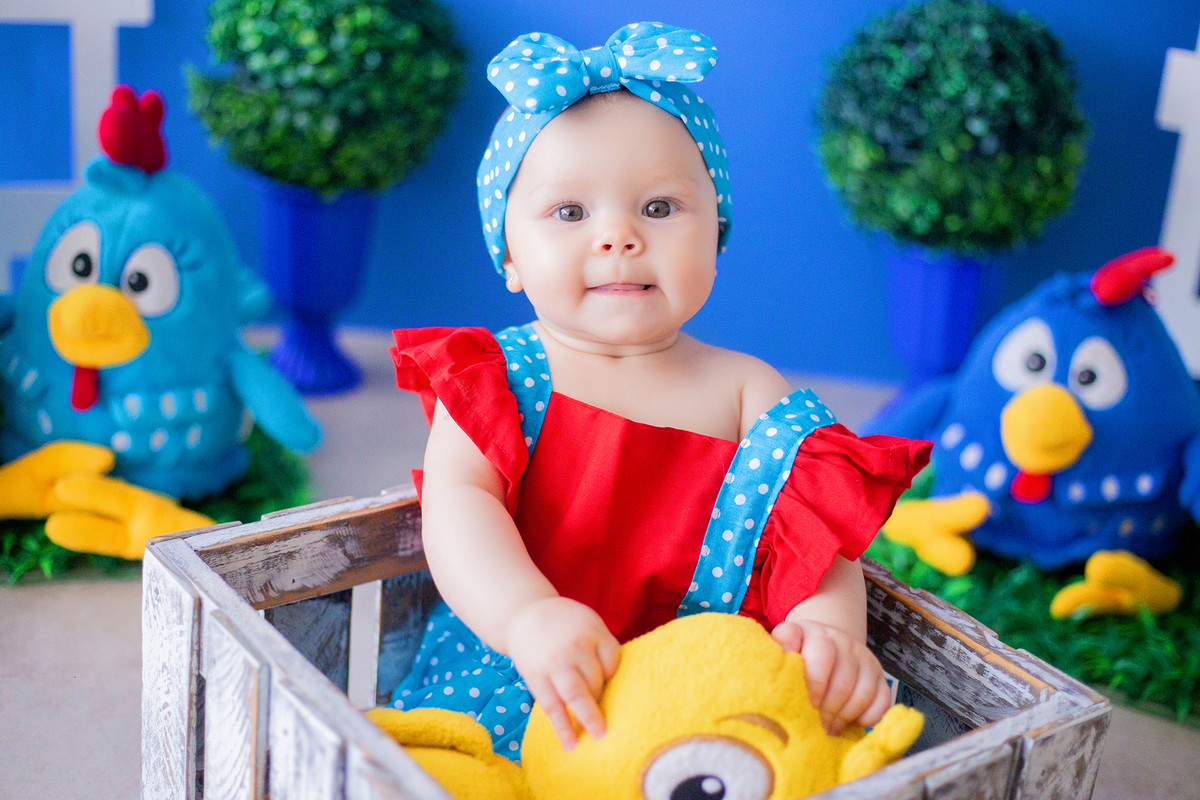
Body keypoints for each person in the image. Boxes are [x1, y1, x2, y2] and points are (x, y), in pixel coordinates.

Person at [387, 22, 931, 761]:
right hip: (526, 683)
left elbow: (814, 545)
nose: (618, 236)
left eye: (660, 208)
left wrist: (829, 631)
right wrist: (528, 617)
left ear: (717, 234)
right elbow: (459, 510)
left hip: (698, 711)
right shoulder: (500, 379)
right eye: (570, 213)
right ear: (509, 254)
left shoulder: (748, 391)